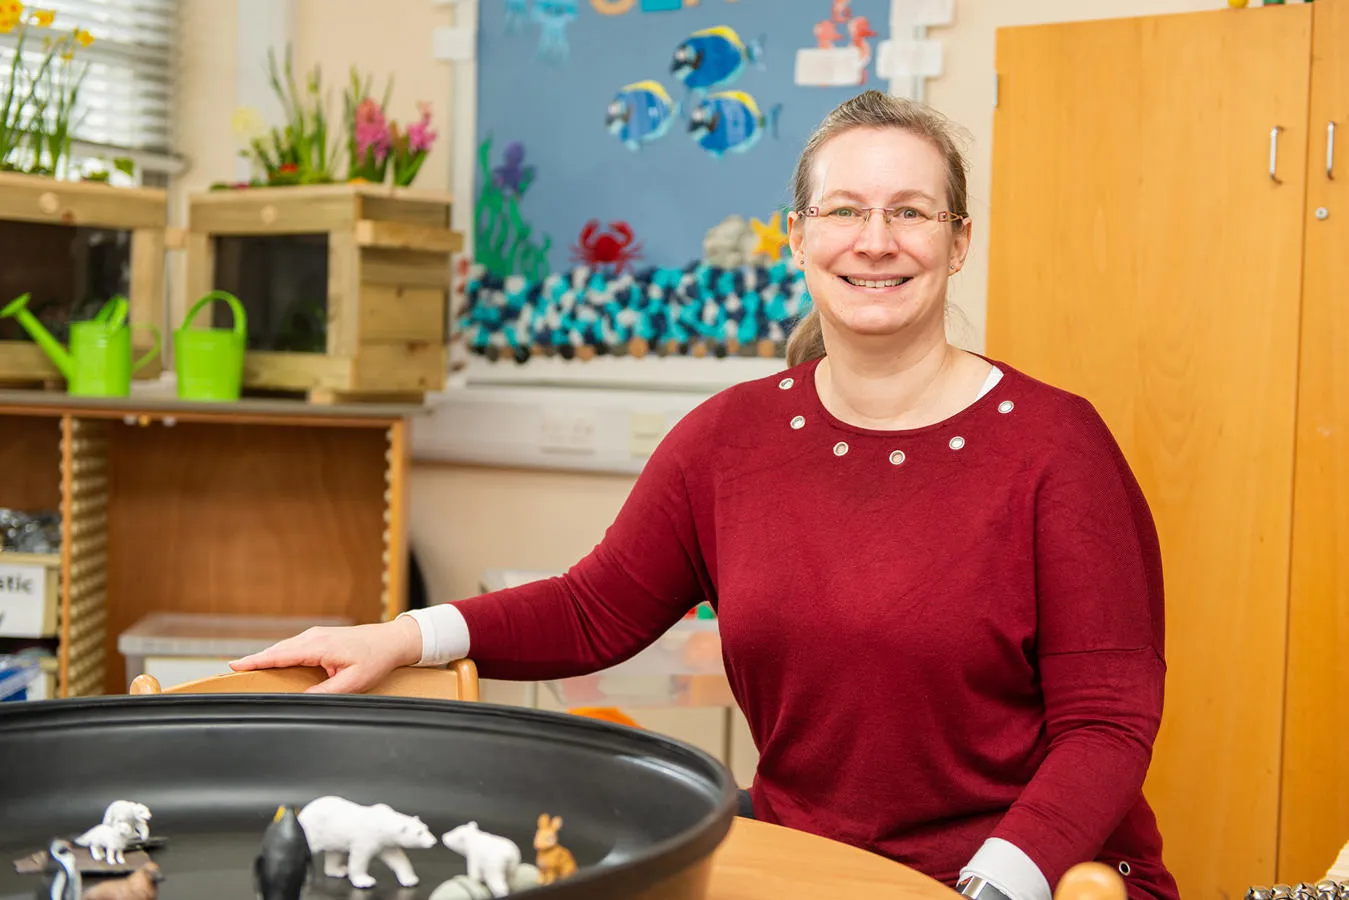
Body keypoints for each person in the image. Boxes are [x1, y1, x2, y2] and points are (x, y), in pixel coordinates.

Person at [231, 89, 1180, 900]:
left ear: (959, 240)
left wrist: (997, 879)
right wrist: (404, 634)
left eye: (911, 212)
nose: (875, 241)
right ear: (798, 239)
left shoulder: (1057, 446)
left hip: (1023, 875)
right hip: (805, 864)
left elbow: (1107, 724)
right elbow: (592, 609)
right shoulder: (732, 440)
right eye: (844, 211)